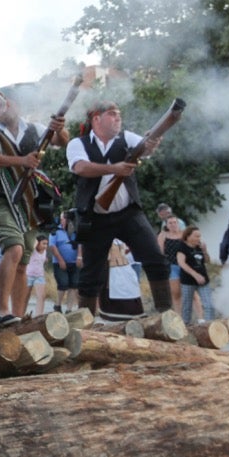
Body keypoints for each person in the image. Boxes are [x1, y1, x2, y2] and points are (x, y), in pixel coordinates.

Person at [65, 100, 172, 315]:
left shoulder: (127, 138)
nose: (118, 118)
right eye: (112, 114)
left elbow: (146, 148)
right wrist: (115, 168)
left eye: (118, 114)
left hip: (128, 214)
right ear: (97, 118)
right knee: (90, 276)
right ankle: (86, 324)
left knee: (156, 259)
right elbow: (81, 168)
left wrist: (152, 142)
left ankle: (165, 315)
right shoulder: (78, 143)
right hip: (95, 218)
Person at [0, 88, 67, 325]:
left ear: (17, 105)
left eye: (5, 103)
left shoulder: (34, 129)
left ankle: (15, 316)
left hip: (28, 203)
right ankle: (2, 310)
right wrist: (22, 161)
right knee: (14, 250)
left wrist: (59, 127)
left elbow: (61, 140)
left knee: (24, 261)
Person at [176, 226, 215, 325]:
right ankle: (185, 325)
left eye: (199, 236)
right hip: (188, 280)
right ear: (188, 236)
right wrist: (195, 275)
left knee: (209, 305)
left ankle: (209, 326)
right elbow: (181, 263)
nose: (199, 238)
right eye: (196, 236)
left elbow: (207, 261)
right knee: (187, 305)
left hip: (203, 279)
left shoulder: (199, 246)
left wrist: (205, 251)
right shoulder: (182, 247)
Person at [49, 212, 79, 313]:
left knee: (74, 285)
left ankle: (69, 309)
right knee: (63, 283)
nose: (62, 220)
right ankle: (57, 305)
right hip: (59, 262)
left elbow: (80, 244)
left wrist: (80, 257)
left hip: (74, 262)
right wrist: (60, 260)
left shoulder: (75, 230)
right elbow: (52, 246)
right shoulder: (55, 231)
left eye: (64, 219)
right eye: (61, 218)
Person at [158, 215, 186, 314]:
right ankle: (179, 316)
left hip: (186, 266)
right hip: (172, 266)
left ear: (178, 224)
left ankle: (201, 318)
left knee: (192, 293)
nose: (173, 225)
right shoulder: (163, 235)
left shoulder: (184, 234)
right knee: (176, 293)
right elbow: (160, 252)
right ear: (167, 225)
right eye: (170, 223)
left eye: (175, 222)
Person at [25, 235, 50, 317]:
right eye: (43, 244)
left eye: (46, 244)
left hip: (39, 276)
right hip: (29, 275)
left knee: (41, 296)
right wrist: (36, 242)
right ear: (38, 243)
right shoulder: (33, 250)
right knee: (26, 296)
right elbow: (33, 244)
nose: (45, 246)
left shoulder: (45, 251)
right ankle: (21, 314)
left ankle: (39, 315)